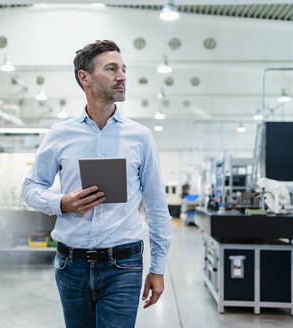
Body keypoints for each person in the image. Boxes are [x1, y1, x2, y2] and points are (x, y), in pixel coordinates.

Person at [22, 40, 172, 328]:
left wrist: (158, 268)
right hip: (71, 266)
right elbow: (30, 188)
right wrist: (61, 202)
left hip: (123, 266)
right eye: (112, 68)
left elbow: (156, 205)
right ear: (85, 78)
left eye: (124, 69)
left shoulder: (139, 137)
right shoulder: (60, 135)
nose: (122, 76)